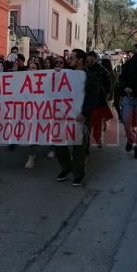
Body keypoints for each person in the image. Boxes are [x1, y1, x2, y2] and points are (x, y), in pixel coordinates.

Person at [54, 49, 98, 187]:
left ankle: (78, 175)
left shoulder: (90, 77)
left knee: (79, 145)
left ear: (80, 60)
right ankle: (66, 167)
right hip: (63, 114)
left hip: (80, 116)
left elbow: (93, 98)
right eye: (69, 57)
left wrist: (85, 113)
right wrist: (55, 75)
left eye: (72, 58)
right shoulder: (64, 75)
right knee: (58, 142)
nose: (69, 60)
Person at [86, 51, 114, 147]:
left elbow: (109, 83)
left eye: (91, 61)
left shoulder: (102, 70)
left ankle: (97, 137)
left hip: (98, 99)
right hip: (85, 100)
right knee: (87, 123)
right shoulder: (83, 69)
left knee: (97, 121)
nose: (89, 63)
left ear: (96, 60)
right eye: (87, 61)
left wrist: (105, 94)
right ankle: (86, 144)